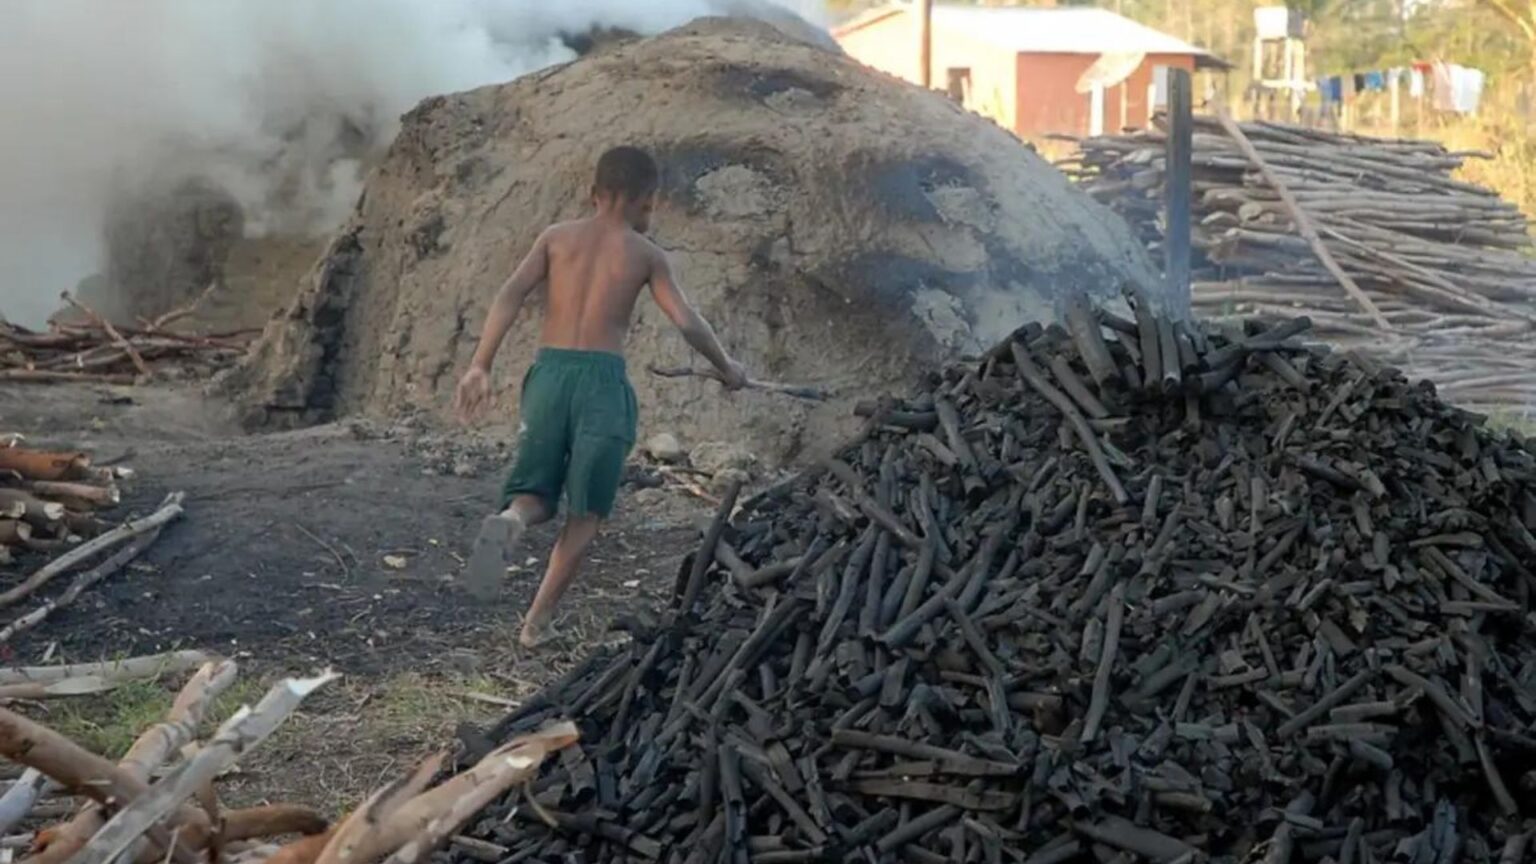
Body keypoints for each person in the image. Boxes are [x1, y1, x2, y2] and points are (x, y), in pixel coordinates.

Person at [454, 145, 748, 648]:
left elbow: (509, 294)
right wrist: (727, 367)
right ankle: (535, 624)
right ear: (648, 201)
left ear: (593, 194)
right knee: (586, 511)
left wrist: (480, 364)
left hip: (548, 376)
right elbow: (686, 321)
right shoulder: (645, 254)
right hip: (602, 385)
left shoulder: (555, 238)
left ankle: (510, 521)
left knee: (534, 494)